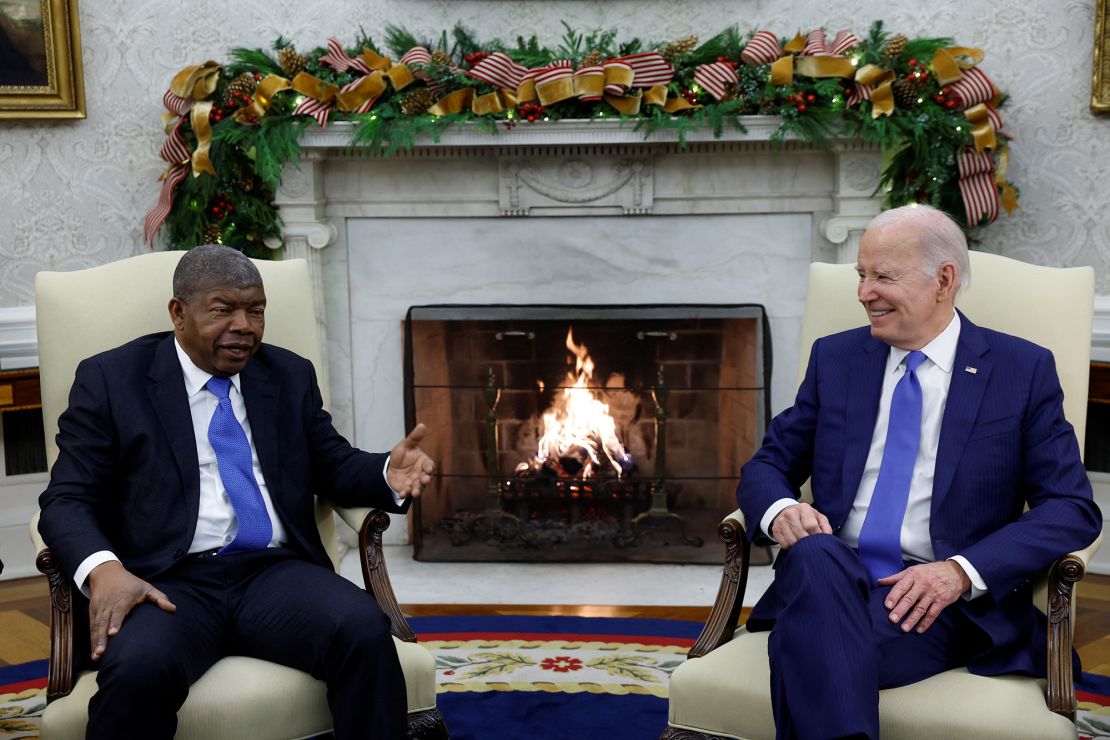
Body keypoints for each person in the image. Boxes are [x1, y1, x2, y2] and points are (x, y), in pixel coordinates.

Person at [38, 244, 436, 740]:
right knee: (139, 670)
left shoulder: (287, 375)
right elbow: (66, 498)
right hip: (164, 581)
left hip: (271, 574)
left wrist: (384, 474)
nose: (244, 325)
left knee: (362, 629)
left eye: (256, 310)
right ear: (178, 313)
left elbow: (330, 462)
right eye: (224, 309)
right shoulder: (112, 379)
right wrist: (107, 572)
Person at [737, 204, 1101, 739]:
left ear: (944, 280)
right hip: (830, 573)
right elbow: (768, 463)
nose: (863, 292)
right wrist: (780, 509)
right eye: (861, 275)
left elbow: (1070, 507)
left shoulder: (1020, 370)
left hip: (938, 603)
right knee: (815, 555)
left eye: (883, 276)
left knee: (813, 644)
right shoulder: (836, 360)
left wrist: (959, 572)